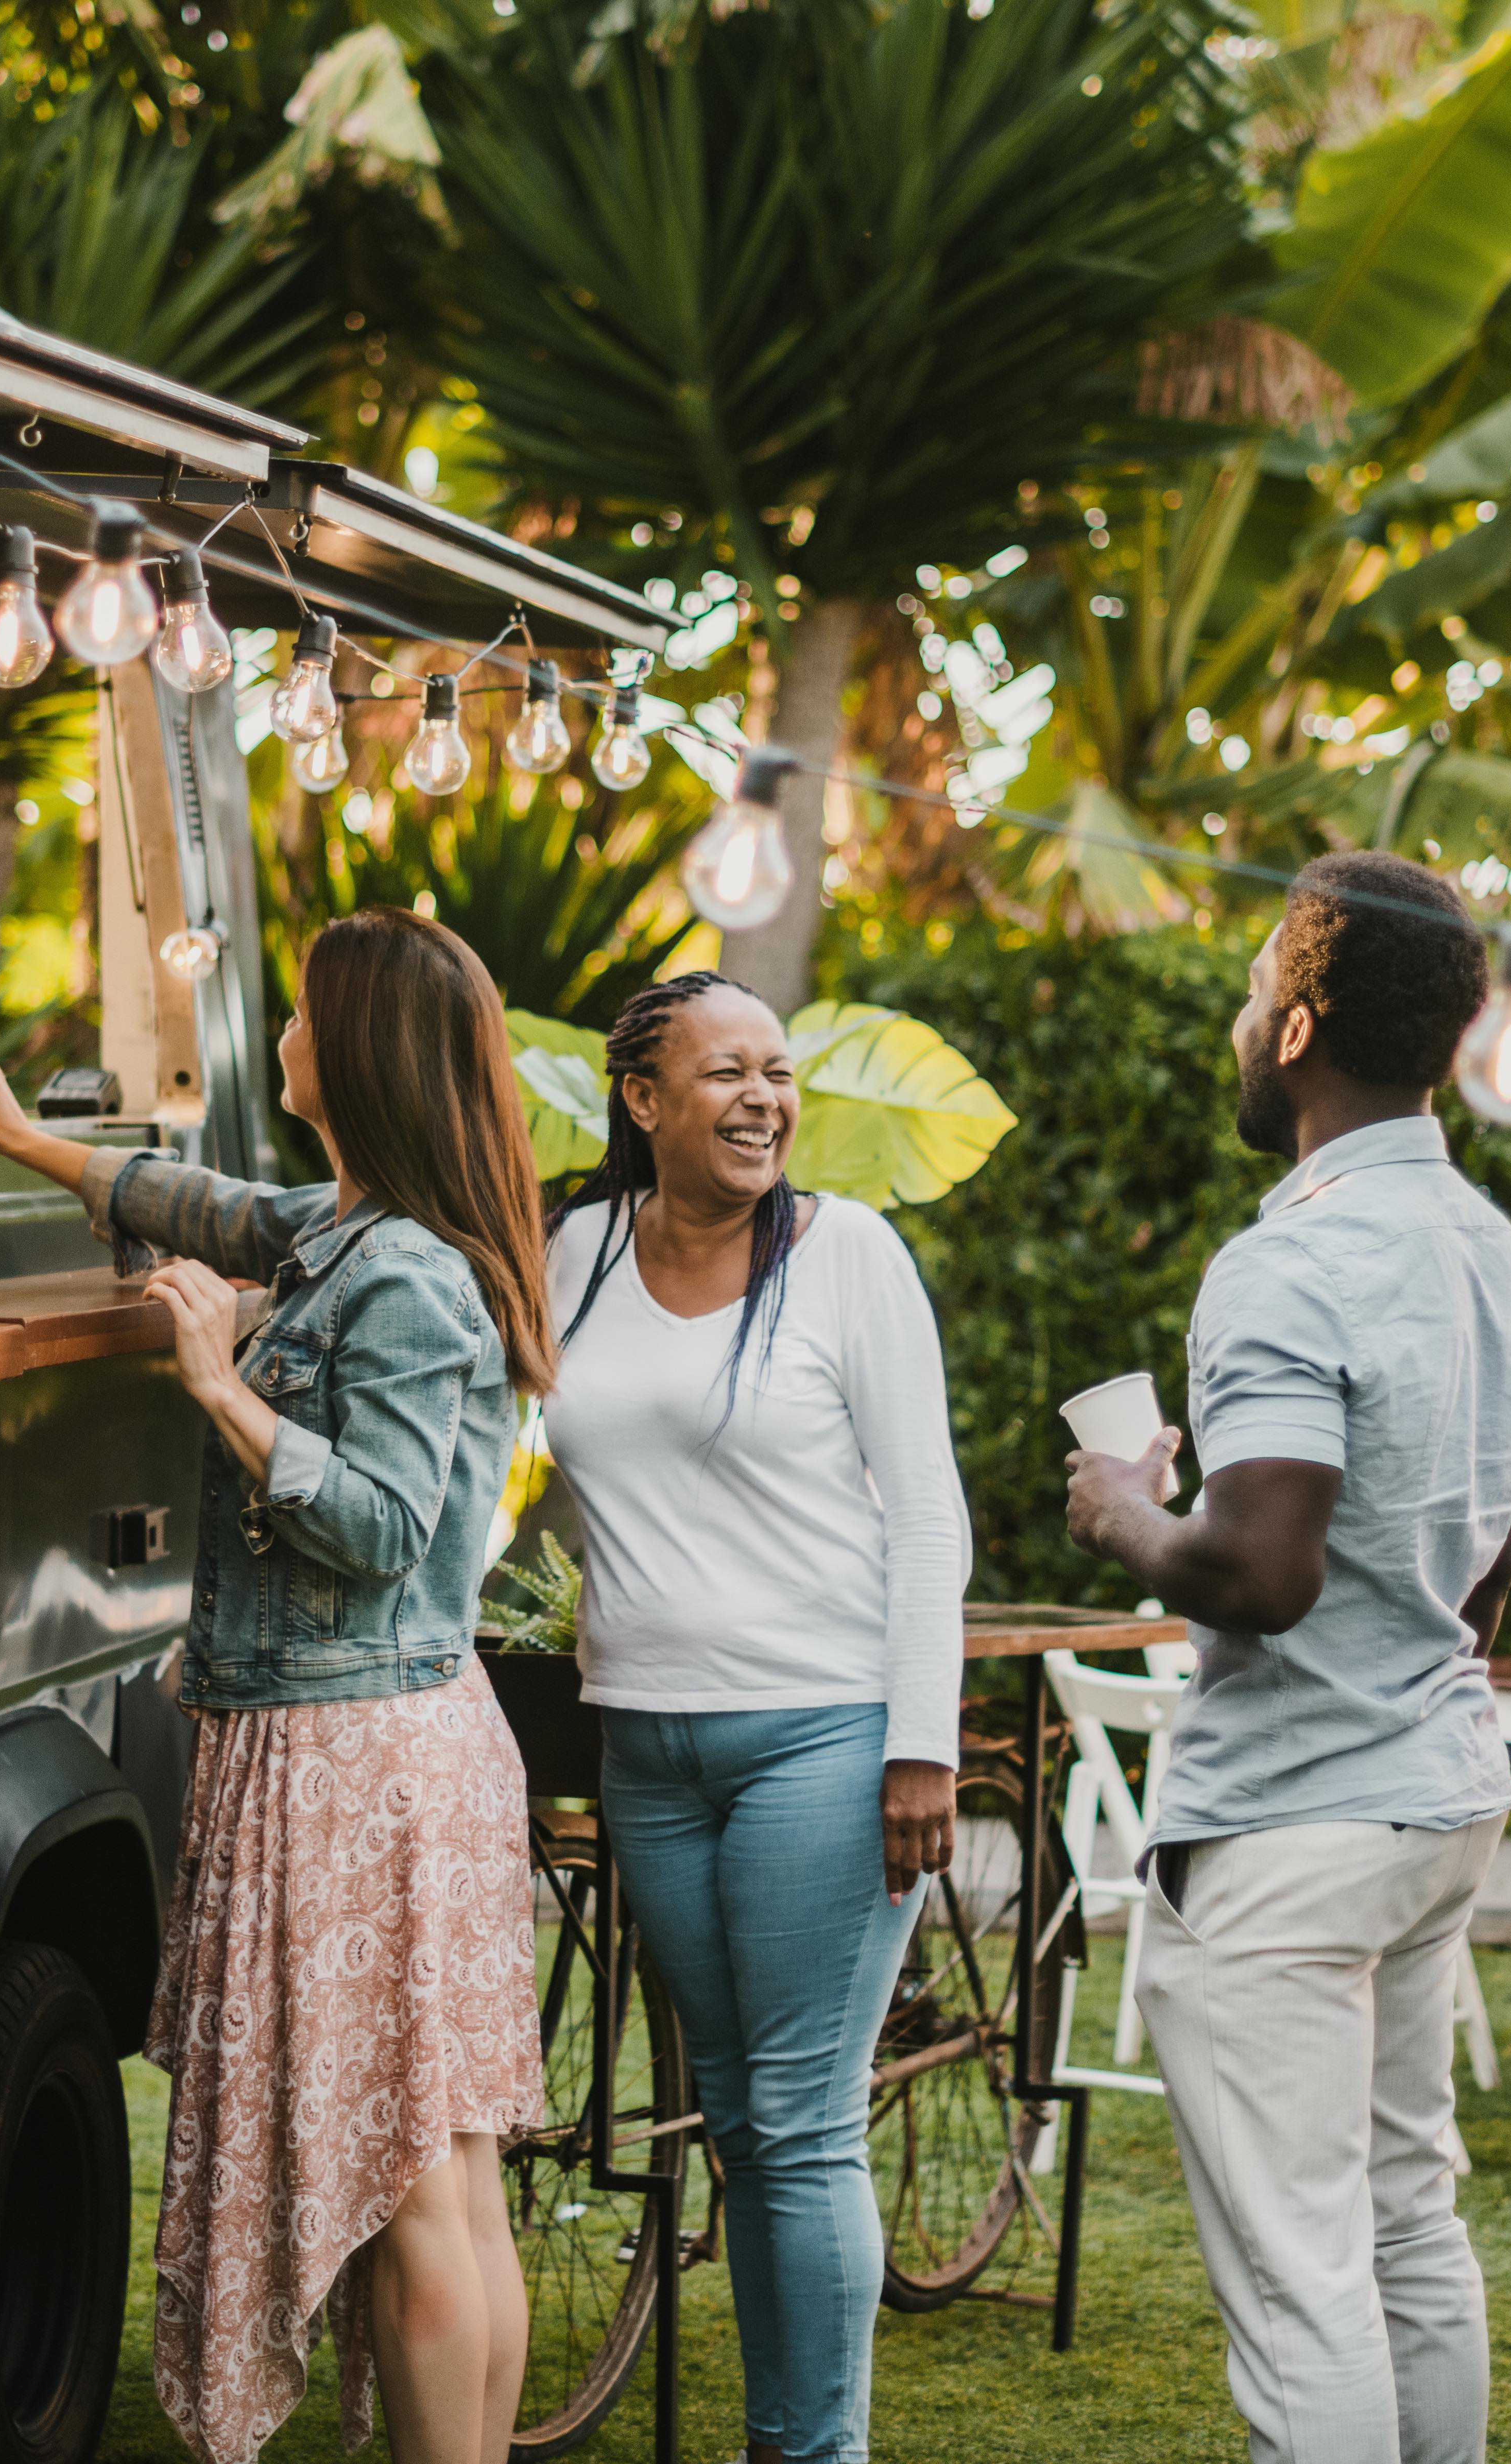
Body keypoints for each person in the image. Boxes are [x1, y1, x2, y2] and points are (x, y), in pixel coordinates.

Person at [0, 908, 553, 2464]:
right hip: (391, 1739)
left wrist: (218, 1387)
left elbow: (383, 1528)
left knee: (411, 2191)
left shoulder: (403, 1275)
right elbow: (200, 1202)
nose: (284, 1035)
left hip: (355, 1752)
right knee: (444, 2170)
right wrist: (13, 1134)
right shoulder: (359, 1227)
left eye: (308, 1014)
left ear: (364, 1054)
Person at [1061, 851, 1511, 2464]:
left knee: (1299, 2282)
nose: (1237, 1011)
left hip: (1286, 1832)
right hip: (1435, 1801)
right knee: (1410, 2219)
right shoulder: (1502, 1257)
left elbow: (1263, 1569)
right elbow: (1500, 1564)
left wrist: (1126, 1511)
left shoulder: (1288, 1259)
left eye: (1255, 981)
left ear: (1297, 1027)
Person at [537, 970, 969, 2464]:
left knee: (794, 2128)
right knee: (733, 2126)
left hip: (821, 1740)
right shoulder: (573, 1252)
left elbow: (926, 1511)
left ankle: (807, 2450)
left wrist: (923, 1742)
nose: (762, 1099)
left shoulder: (849, 1256)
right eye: (723, 1073)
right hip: (646, 1745)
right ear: (642, 1099)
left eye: (776, 1071)